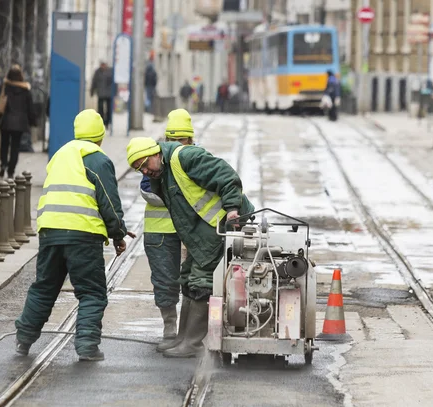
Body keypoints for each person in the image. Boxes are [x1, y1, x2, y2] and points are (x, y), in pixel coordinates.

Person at [15, 109, 133, 361]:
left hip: (50, 231)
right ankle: (87, 345)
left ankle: (23, 339)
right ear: (100, 136)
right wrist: (118, 233)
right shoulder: (97, 159)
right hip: (82, 234)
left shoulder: (60, 155)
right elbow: (109, 203)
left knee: (44, 287)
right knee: (91, 291)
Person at [126, 135, 255, 358]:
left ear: (156, 154)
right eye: (140, 169)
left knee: (202, 279)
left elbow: (226, 176)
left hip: (222, 225)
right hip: (203, 230)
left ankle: (193, 343)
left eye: (145, 164)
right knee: (187, 276)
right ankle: (183, 338)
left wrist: (233, 208)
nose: (145, 171)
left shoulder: (186, 157)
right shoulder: (163, 174)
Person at [139, 109, 195, 349]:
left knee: (194, 282)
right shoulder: (155, 158)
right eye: (173, 141)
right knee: (165, 280)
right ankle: (170, 327)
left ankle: (188, 331)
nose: (177, 146)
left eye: (182, 141)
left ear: (191, 140)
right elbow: (146, 189)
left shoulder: (197, 158)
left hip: (190, 233)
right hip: (160, 231)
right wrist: (178, 198)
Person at [0, 67, 36, 179]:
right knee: (15, 146)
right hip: (20, 123)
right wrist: (32, 122)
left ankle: (3, 164)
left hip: (5, 121)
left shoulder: (4, 87)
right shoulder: (25, 90)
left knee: (4, 144)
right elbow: (30, 108)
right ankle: (11, 170)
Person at [90, 62, 113, 127]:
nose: (103, 66)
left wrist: (114, 92)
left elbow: (114, 82)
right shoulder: (97, 72)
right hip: (100, 93)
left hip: (109, 94)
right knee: (100, 108)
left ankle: (107, 122)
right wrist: (92, 91)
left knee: (109, 109)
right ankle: (101, 121)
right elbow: (94, 82)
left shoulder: (110, 71)